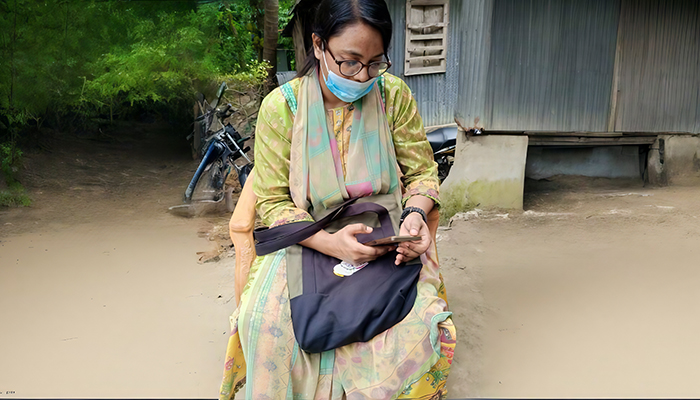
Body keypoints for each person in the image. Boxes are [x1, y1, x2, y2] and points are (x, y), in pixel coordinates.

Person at [219, 0, 456, 398]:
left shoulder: (392, 95)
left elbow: (421, 174)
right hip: (304, 232)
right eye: (350, 62)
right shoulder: (282, 108)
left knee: (418, 329)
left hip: (384, 228)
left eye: (375, 63)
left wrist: (415, 215)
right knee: (268, 326)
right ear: (318, 45)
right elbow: (273, 202)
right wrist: (330, 243)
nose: (363, 76)